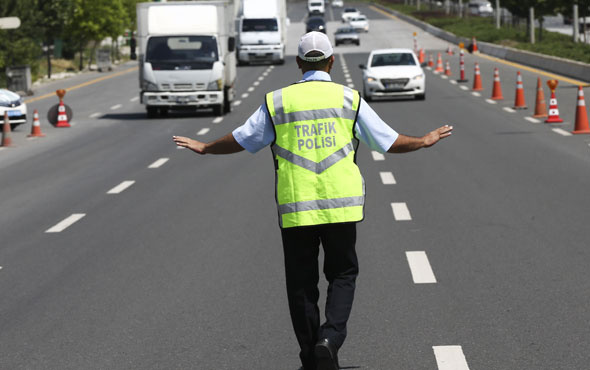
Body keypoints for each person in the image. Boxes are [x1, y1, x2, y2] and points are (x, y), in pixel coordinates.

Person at [173, 32, 452, 370]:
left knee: (302, 285)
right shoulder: (348, 99)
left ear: (299, 63)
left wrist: (205, 147)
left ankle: (312, 357)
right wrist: (423, 140)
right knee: (343, 274)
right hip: (341, 204)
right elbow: (387, 141)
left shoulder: (278, 101)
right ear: (331, 62)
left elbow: (244, 139)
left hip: (297, 208)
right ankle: (329, 339)